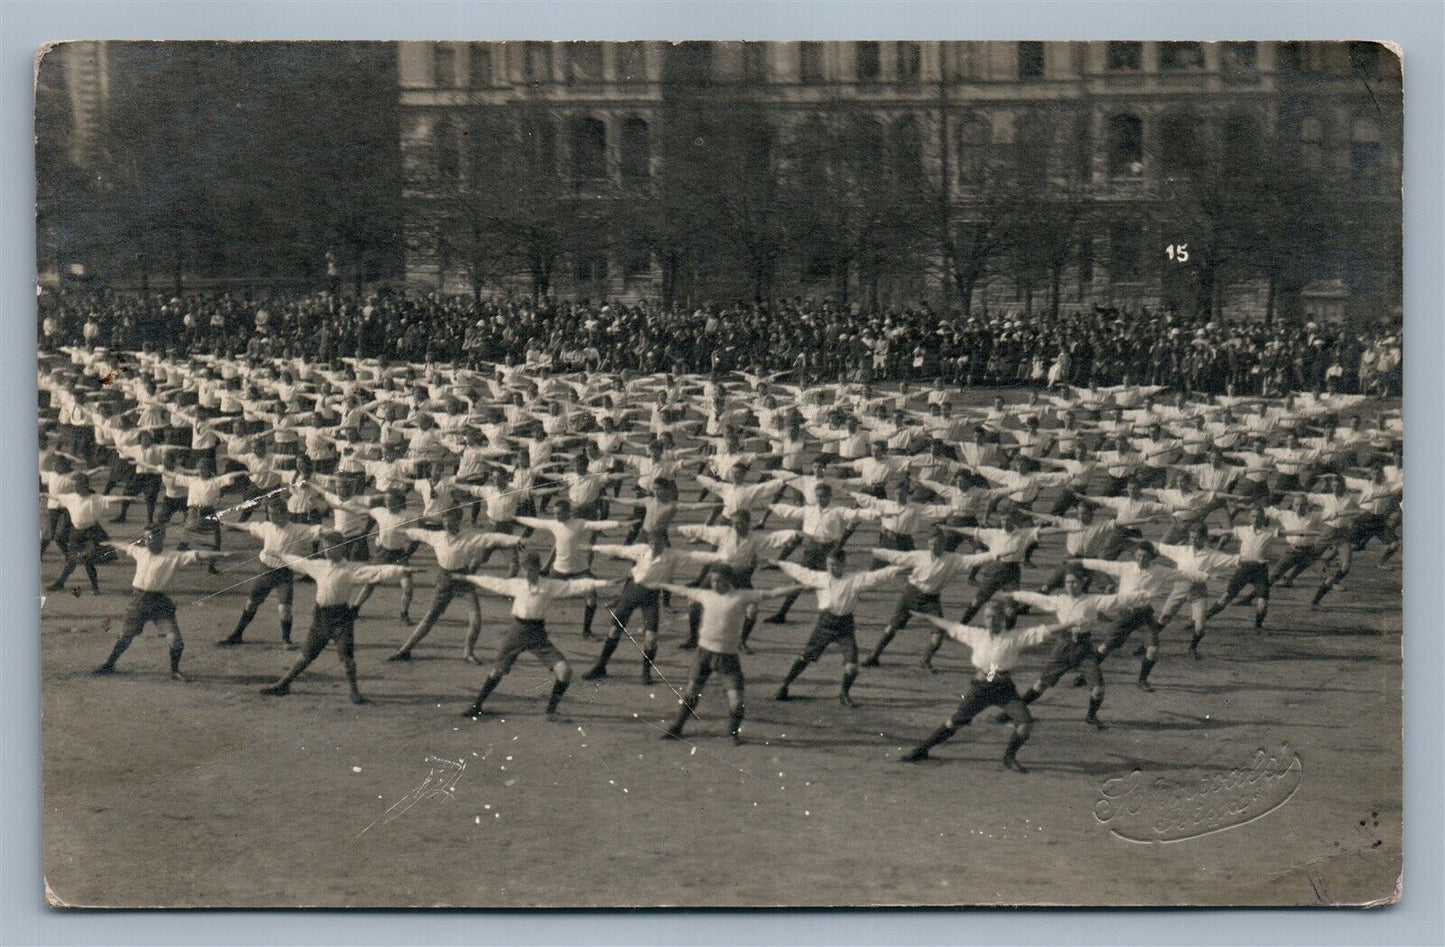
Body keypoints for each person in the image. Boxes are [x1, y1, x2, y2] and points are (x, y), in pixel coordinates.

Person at [899, 606, 1073, 772]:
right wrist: (928, 617)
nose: (991, 620)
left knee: (1025, 724)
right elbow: (951, 626)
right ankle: (922, 750)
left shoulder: (1014, 637)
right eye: (988, 617)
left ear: (1003, 619)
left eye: (995, 617)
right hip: (981, 689)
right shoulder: (976, 635)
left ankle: (1009, 757)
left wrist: (1070, 623)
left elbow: (1044, 630)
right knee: (955, 722)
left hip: (1004, 689)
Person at [259, 533, 421, 704]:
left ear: (342, 547)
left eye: (331, 547)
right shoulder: (318, 565)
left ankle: (354, 693)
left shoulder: (351, 569)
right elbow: (299, 562)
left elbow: (377, 571)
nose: (327, 550)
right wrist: (279, 555)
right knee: (306, 656)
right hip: (320, 617)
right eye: (325, 547)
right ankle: (283, 684)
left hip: (341, 618)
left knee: (347, 659)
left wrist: (402, 570)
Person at [458, 553, 614, 719]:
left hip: (538, 633)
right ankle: (477, 706)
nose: (530, 573)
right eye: (527, 570)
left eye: (533, 570)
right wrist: (466, 577)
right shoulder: (517, 585)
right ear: (523, 571)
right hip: (516, 632)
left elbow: (575, 586)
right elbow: (494, 583)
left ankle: (551, 711)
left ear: (539, 569)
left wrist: (604, 583)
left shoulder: (549, 586)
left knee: (565, 671)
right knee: (497, 671)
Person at [657, 569, 802, 743]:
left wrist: (799, 586)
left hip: (727, 658)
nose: (715, 585)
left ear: (729, 581)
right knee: (692, 691)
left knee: (736, 700)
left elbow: (771, 593)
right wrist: (658, 583)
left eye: (719, 581)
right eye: (712, 581)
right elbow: (681, 590)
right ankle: (677, 727)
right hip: (703, 653)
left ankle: (733, 734)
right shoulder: (706, 595)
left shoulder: (741, 597)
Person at [388, 507, 525, 663]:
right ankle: (404, 650)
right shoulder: (436, 536)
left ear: (458, 522)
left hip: (464, 580)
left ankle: (468, 653)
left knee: (476, 620)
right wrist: (398, 530)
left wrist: (516, 540)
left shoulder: (470, 537)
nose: (447, 526)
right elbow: (416, 533)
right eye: (445, 522)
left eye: (450, 522)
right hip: (444, 581)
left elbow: (492, 537)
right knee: (429, 617)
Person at [91, 525, 228, 679]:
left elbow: (197, 554)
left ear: (161, 537)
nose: (147, 540)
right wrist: (110, 543)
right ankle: (109, 665)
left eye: (151, 537)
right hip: (138, 601)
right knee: (125, 636)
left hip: (160, 602)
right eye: (145, 537)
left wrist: (222, 553)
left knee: (175, 640)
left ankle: (174, 671)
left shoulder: (172, 556)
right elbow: (125, 546)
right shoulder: (141, 552)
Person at [770, 551, 907, 706]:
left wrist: (898, 569)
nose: (832, 568)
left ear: (843, 565)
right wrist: (780, 563)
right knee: (805, 658)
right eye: (829, 564)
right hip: (825, 624)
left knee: (852, 667)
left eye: (835, 565)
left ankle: (844, 694)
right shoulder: (820, 578)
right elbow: (801, 572)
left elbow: (877, 576)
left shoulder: (854, 580)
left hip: (845, 627)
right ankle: (784, 686)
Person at [862, 531, 998, 667]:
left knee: (938, 634)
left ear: (943, 545)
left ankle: (925, 661)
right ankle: (873, 656)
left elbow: (973, 560)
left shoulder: (952, 559)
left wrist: (995, 554)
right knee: (892, 627)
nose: (934, 547)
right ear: (928, 544)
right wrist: (875, 551)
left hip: (931, 600)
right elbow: (898, 556)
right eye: (932, 544)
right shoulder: (919, 556)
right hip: (911, 594)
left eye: (937, 544)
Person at [217, 499, 323, 647]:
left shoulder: (298, 529)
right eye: (270, 514)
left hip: (285, 574)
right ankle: (237, 634)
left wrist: (337, 531)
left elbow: (318, 530)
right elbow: (249, 526)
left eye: (275, 514)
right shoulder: (267, 527)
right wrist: (228, 524)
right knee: (251, 603)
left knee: (284, 610)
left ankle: (286, 640)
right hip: (266, 571)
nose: (272, 517)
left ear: (286, 514)